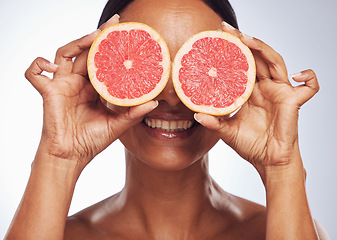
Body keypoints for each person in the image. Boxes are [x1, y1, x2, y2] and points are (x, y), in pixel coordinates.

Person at [5, 0, 330, 239]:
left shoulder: (285, 229)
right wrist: (58, 158)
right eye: (148, 67)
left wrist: (282, 168)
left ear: (241, 83)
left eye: (197, 70)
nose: (172, 97)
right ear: (98, 79)